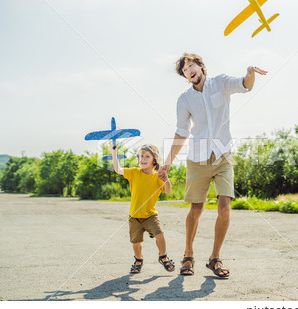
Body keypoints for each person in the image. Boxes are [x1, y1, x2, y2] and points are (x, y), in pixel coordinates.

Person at [160, 53, 267, 277]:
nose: (189, 70)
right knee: (196, 209)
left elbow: (244, 85)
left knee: (225, 207)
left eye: (192, 65)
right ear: (185, 76)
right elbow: (181, 132)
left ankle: (214, 258)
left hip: (223, 156)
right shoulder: (185, 100)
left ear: (200, 66)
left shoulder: (220, 83)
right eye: (185, 69)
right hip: (197, 159)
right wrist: (167, 163)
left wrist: (250, 73)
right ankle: (188, 255)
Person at [111, 143, 175, 273]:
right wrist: (114, 153)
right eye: (141, 156)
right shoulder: (134, 172)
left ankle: (163, 256)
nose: (143, 159)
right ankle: (138, 260)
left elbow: (167, 191)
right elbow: (118, 169)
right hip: (134, 216)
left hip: (150, 215)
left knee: (160, 235)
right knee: (136, 242)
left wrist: (166, 179)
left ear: (154, 161)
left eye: (147, 156)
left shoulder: (157, 176)